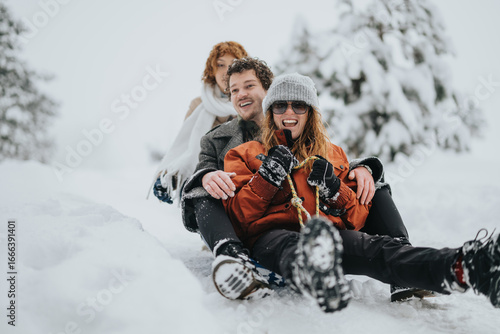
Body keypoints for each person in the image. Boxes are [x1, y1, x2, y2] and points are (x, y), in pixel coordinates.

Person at [222, 72, 500, 312]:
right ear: (270, 112)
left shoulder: (332, 154)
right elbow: (238, 218)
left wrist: (334, 189)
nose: (289, 112)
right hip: (272, 237)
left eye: (299, 105)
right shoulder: (245, 154)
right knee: (294, 247)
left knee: (378, 250)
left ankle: (467, 267)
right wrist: (267, 178)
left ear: (311, 113)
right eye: (280, 105)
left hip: (329, 236)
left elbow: (357, 217)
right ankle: (317, 274)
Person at [181, 58, 414, 301]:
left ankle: (403, 263)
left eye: (249, 86)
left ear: (269, 90)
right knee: (202, 190)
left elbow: (328, 158)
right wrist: (208, 174)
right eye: (234, 90)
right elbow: (203, 169)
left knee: (371, 182)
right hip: (249, 222)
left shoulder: (293, 117)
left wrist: (362, 168)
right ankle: (232, 258)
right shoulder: (216, 139)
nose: (241, 94)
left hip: (305, 213)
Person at [148, 41, 248, 203]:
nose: (226, 72)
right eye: (220, 65)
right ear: (212, 70)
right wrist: (167, 178)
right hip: (203, 181)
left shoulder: (252, 105)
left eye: (234, 65)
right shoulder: (198, 106)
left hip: (241, 182)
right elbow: (185, 148)